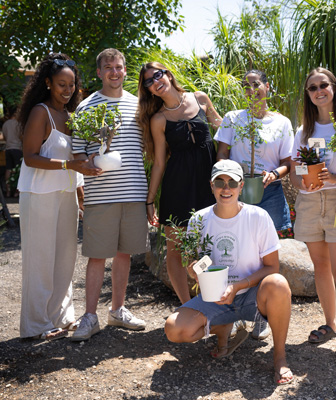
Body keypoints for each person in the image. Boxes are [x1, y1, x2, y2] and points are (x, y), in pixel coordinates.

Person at [165, 159, 293, 385]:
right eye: (220, 182)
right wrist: (193, 269)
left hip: (252, 296)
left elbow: (272, 266)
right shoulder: (199, 219)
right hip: (215, 297)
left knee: (278, 283)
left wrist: (239, 286)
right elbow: (191, 259)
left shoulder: (258, 217)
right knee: (174, 329)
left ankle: (279, 357)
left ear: (241, 186)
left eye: (232, 182)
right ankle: (223, 327)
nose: (226, 188)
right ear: (211, 186)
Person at [71, 48, 148, 341]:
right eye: (108, 67)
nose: (114, 72)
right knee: (96, 255)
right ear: (99, 72)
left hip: (133, 190)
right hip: (100, 192)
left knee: (124, 252)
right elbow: (78, 150)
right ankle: (90, 317)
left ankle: (117, 310)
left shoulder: (139, 105)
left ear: (125, 71)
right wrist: (88, 163)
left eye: (119, 67)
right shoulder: (87, 106)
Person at [17, 53, 92, 340]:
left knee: (65, 258)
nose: (67, 90)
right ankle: (36, 325)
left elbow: (76, 158)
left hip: (66, 195)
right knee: (40, 259)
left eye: (71, 85)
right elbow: (30, 157)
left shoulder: (70, 115)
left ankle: (61, 316)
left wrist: (80, 189)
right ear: (48, 83)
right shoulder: (41, 112)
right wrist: (68, 166)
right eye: (61, 84)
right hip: (39, 195)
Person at [215, 69, 294, 340]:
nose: (251, 89)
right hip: (235, 190)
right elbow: (222, 153)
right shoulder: (233, 119)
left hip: (268, 192)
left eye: (256, 84)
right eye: (246, 86)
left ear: (267, 87)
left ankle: (261, 314)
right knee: (236, 248)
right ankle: (234, 312)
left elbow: (287, 162)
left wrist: (275, 174)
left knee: (265, 255)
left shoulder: (282, 123)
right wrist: (230, 177)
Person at [137, 62, 222, 304]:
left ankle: (214, 302)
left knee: (211, 246)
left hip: (209, 187)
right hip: (178, 188)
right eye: (149, 81)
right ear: (149, 91)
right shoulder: (158, 120)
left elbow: (224, 130)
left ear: (169, 74)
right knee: (175, 252)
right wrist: (150, 200)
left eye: (158, 75)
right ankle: (187, 306)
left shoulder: (200, 99)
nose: (155, 81)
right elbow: (160, 163)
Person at [289, 68, 336, 362]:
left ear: (334, 88)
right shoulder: (303, 131)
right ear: (308, 94)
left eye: (323, 85)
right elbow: (293, 173)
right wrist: (301, 182)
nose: (319, 90)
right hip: (309, 202)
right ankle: (330, 324)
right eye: (312, 87)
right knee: (320, 266)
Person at [2, 109, 23, 197]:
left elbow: (4, 137)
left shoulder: (5, 124)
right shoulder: (18, 124)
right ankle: (16, 192)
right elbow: (21, 136)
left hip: (8, 148)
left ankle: (8, 191)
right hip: (17, 148)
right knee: (18, 170)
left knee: (8, 169)